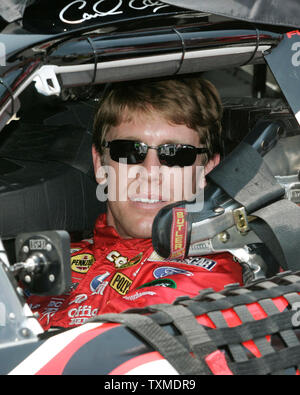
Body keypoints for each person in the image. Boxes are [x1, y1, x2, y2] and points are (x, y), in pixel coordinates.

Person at [27, 77, 243, 330]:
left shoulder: (212, 277)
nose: (150, 171)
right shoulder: (45, 259)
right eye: (129, 150)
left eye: (175, 154)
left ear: (204, 171)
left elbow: (103, 349)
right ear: (100, 165)